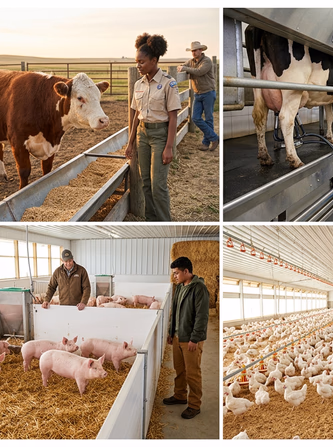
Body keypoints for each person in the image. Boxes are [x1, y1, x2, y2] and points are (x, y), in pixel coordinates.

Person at [126, 33, 181, 221]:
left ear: (154, 60)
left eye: (141, 62)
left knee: (158, 185)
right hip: (142, 135)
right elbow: (136, 116)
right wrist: (130, 142)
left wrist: (168, 147)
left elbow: (173, 117)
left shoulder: (168, 83)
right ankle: (151, 219)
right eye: (136, 62)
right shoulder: (138, 84)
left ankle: (166, 222)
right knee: (146, 183)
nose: (138, 66)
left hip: (160, 136)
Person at [165, 256, 210, 419]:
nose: (174, 276)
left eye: (177, 273)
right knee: (180, 370)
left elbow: (202, 316)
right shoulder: (179, 287)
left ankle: (194, 405)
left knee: (192, 373)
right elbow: (174, 311)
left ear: (186, 271)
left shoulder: (199, 288)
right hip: (178, 336)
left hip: (190, 339)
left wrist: (195, 339)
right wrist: (171, 332)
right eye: (174, 273)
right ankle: (180, 395)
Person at [178, 41, 218, 152]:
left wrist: (185, 69)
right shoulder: (191, 62)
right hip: (198, 93)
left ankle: (206, 143)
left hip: (208, 92)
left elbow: (200, 71)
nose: (194, 52)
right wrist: (181, 67)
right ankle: (214, 138)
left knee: (208, 118)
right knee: (195, 117)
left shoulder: (207, 61)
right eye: (192, 51)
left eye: (196, 50)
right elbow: (183, 66)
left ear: (201, 50)